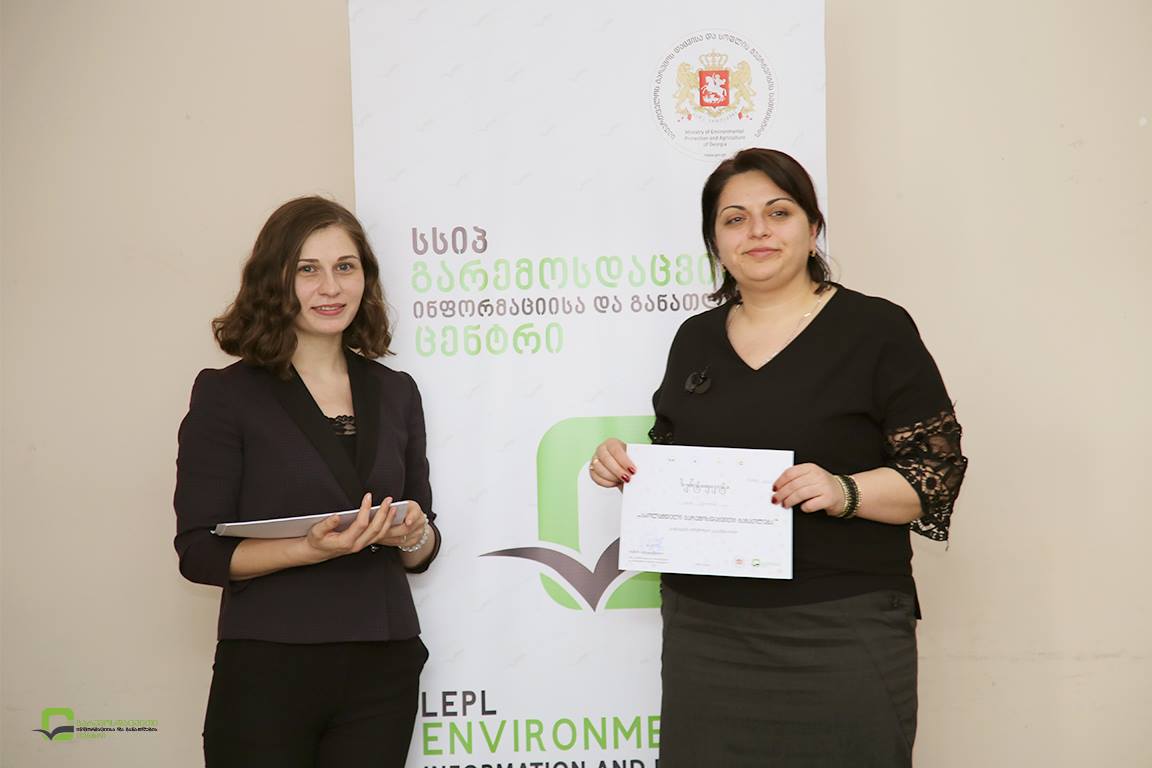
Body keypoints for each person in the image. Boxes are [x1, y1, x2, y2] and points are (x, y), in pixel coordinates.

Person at [590, 148, 967, 766]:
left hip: (840, 626)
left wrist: (843, 491)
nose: (758, 231)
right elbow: (675, 462)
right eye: (735, 219)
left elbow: (935, 477)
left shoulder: (877, 329)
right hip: (705, 629)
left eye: (779, 212)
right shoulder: (695, 339)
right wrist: (627, 467)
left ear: (813, 228)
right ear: (715, 242)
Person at [174, 196, 440, 768]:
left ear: (366, 277)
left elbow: (422, 547)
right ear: (275, 279)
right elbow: (198, 553)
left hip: (383, 663)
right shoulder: (227, 394)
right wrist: (309, 549)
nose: (331, 287)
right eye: (308, 269)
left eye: (345, 266)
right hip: (269, 664)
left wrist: (414, 534)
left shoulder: (397, 391)